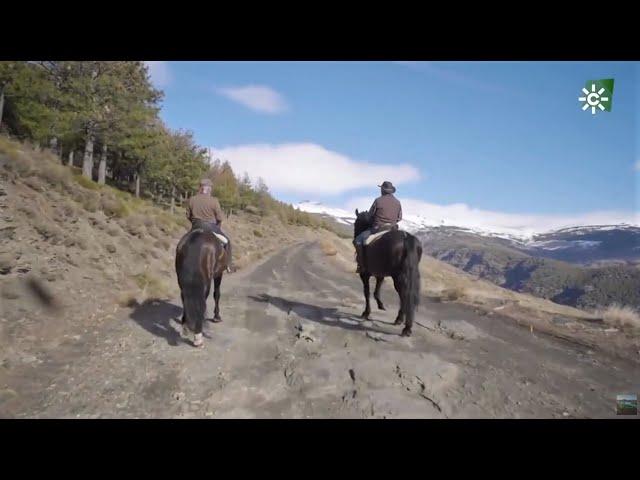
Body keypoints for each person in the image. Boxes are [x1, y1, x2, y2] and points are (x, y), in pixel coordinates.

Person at [354, 181, 403, 273]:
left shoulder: (378, 200)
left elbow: (370, 216)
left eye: (381, 189)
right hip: (392, 229)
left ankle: (361, 265)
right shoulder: (398, 202)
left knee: (358, 240)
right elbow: (399, 218)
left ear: (383, 190)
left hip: (378, 228)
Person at [186, 178, 234, 272]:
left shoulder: (192, 199)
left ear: (200, 188)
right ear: (209, 189)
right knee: (227, 242)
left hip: (195, 226)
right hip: (210, 227)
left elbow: (188, 216)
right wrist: (217, 226)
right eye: (210, 188)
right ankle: (229, 266)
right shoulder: (214, 201)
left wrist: (195, 222)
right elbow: (219, 218)